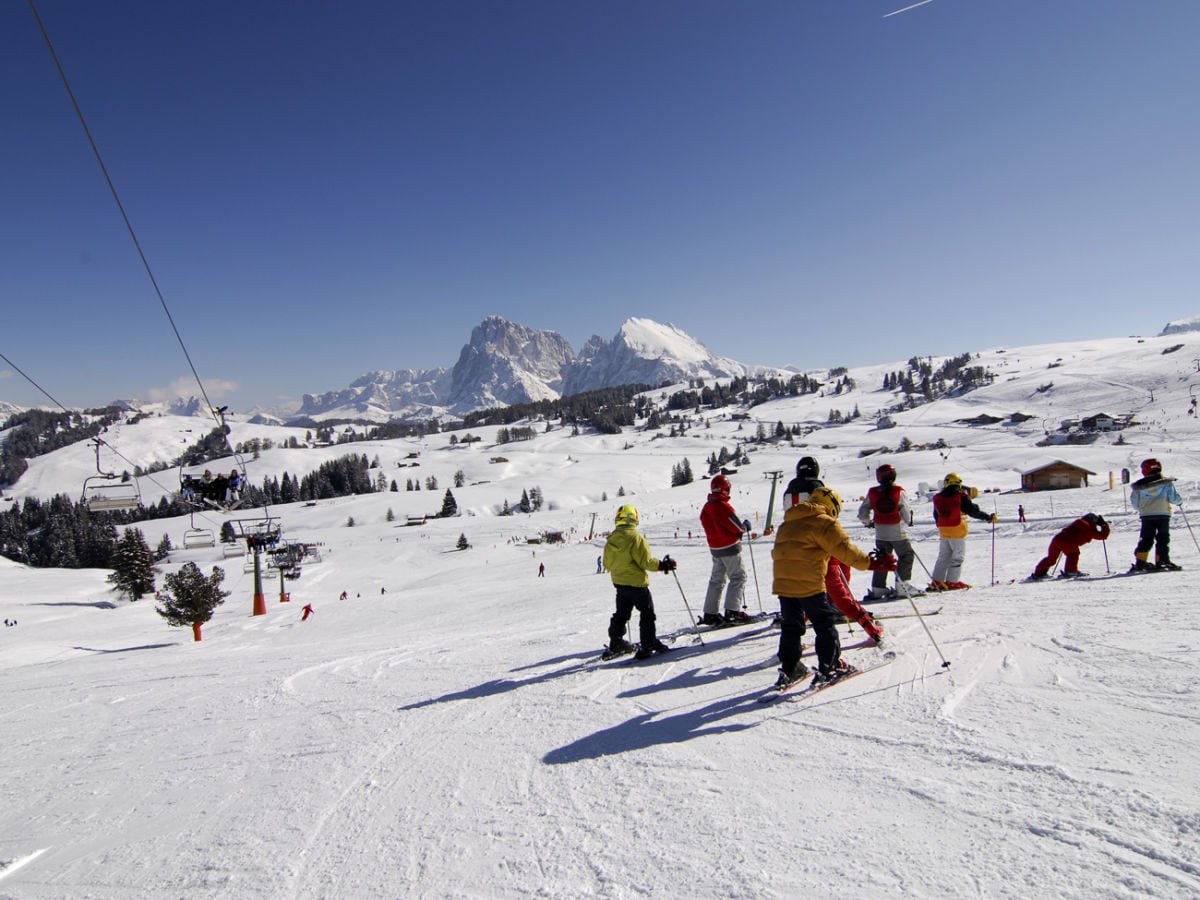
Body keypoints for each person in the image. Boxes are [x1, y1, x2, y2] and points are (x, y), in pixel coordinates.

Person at [772, 486, 896, 689]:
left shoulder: (788, 522)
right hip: (810, 582)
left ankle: (790, 668)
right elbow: (846, 551)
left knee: (791, 627)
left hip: (784, 582)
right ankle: (830, 667)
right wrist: (873, 564)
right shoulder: (825, 523)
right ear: (833, 507)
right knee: (824, 623)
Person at [783, 457, 884, 644]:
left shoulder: (789, 489)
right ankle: (838, 608)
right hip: (819, 541)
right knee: (836, 580)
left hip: (793, 541)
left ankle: (800, 623)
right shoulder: (817, 486)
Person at [602, 504, 674, 660]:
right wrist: (663, 565)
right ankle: (648, 643)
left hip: (620, 584)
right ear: (634, 519)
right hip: (637, 585)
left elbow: (607, 564)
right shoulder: (635, 537)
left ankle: (616, 641)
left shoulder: (612, 538)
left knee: (621, 613)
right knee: (647, 613)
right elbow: (646, 562)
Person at [857, 464, 921, 599]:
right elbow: (906, 513)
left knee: (882, 559)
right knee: (906, 555)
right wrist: (907, 522)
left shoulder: (873, 492)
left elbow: (863, 512)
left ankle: (878, 588)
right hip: (897, 530)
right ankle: (902, 586)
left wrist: (868, 523)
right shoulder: (898, 491)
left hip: (881, 531)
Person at [697, 474, 751, 625]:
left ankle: (710, 612)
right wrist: (745, 527)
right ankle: (732, 611)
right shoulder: (723, 506)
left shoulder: (707, 507)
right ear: (725, 489)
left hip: (715, 548)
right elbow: (736, 526)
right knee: (738, 577)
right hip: (730, 547)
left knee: (717, 579)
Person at [930, 473, 996, 590]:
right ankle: (952, 581)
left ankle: (937, 581)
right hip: (957, 530)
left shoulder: (938, 497)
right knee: (957, 557)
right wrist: (988, 518)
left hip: (944, 530)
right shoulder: (960, 496)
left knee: (943, 556)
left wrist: (941, 525)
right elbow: (973, 511)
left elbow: (936, 515)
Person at [1130, 458, 1183, 571]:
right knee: (1163, 538)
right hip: (1163, 514)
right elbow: (1174, 498)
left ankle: (1140, 562)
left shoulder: (1139, 486)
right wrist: (1179, 502)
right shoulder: (1166, 483)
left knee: (1146, 538)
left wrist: (1142, 508)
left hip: (1146, 515)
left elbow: (1135, 503)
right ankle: (1162, 561)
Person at [1030, 513, 1110, 579]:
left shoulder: (1078, 524)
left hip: (1057, 539)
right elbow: (1102, 536)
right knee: (1073, 554)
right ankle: (1071, 571)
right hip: (1068, 541)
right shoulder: (1087, 528)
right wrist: (1104, 525)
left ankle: (1039, 573)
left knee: (1051, 558)